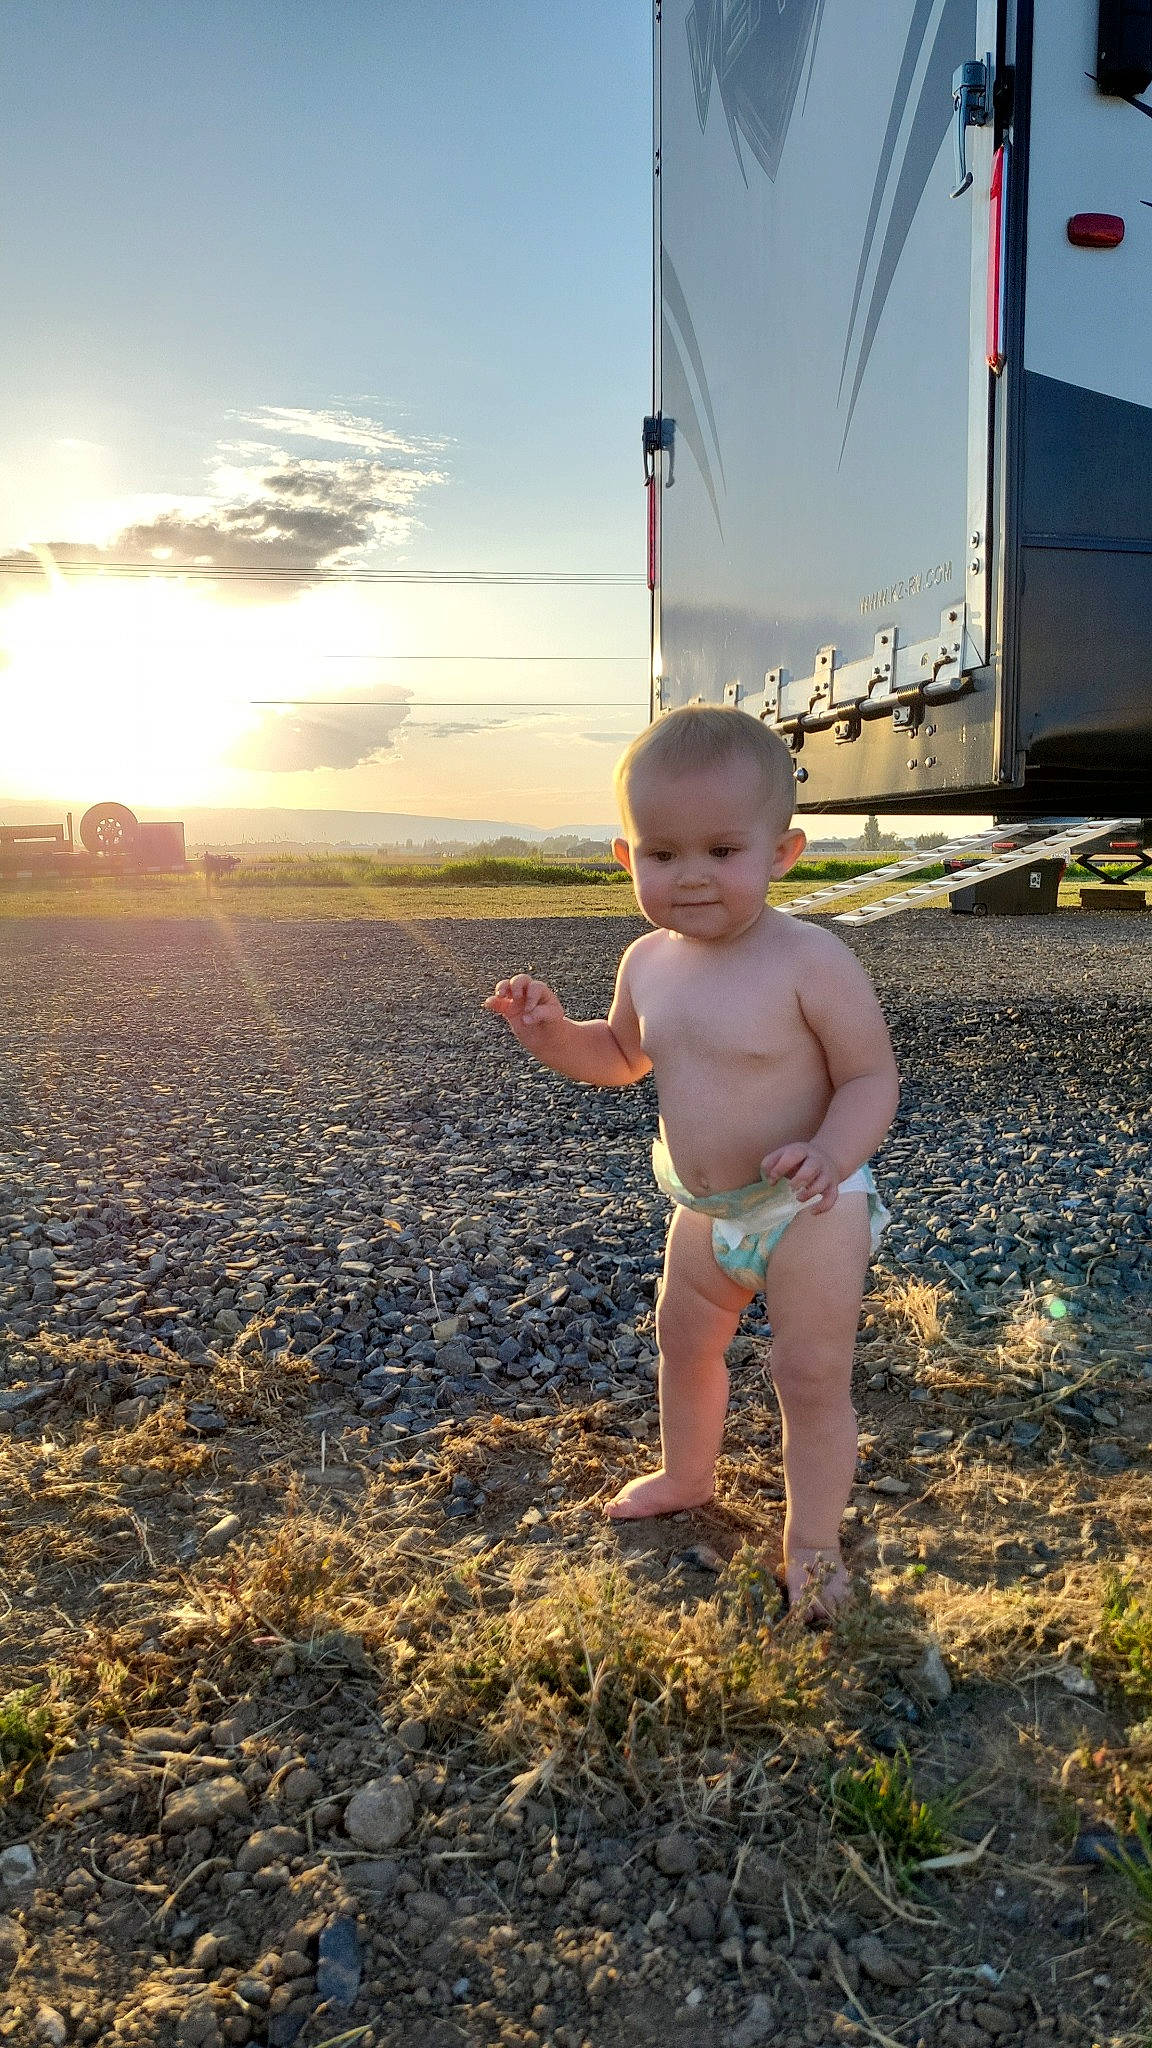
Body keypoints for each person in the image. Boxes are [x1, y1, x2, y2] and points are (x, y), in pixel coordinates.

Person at [484, 705, 899, 1618]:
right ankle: (686, 1473)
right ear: (626, 859)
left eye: (722, 850)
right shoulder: (646, 961)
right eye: (663, 855)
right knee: (685, 1339)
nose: (694, 878)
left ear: (782, 853)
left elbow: (872, 1077)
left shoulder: (809, 960)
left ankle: (815, 1546)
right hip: (705, 1211)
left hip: (808, 1209)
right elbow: (622, 1058)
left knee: (808, 1375)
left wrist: (831, 1152)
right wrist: (550, 1033)